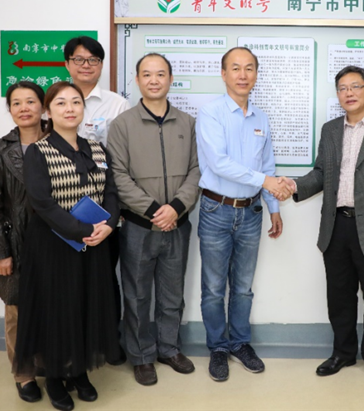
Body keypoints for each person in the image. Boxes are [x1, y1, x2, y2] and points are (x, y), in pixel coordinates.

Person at [288, 65, 364, 387]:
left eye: (355, 86)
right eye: (343, 88)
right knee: (339, 297)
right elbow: (321, 173)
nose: (349, 93)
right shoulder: (331, 129)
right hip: (336, 227)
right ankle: (343, 353)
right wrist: (294, 186)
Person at [13, 82, 121, 411]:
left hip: (94, 245)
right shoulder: (39, 152)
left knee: (86, 306)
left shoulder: (97, 149)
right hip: (53, 246)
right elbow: (42, 203)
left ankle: (79, 371)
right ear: (48, 111)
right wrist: (84, 229)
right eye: (61, 103)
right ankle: (55, 377)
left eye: (76, 102)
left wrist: (108, 225)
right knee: (57, 311)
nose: (70, 108)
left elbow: (111, 193)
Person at [195, 47, 289, 382]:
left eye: (249, 68)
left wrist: (274, 207)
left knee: (244, 287)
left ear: (256, 75)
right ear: (224, 74)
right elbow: (219, 163)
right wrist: (266, 182)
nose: (242, 74)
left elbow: (268, 165)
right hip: (216, 209)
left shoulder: (260, 117)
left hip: (251, 212)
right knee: (213, 287)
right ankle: (218, 348)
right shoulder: (210, 113)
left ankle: (239, 343)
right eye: (235, 68)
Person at [108, 53, 201, 386]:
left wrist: (175, 207)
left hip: (177, 223)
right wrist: (153, 211)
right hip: (137, 225)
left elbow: (197, 170)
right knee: (137, 296)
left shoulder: (188, 123)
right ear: (137, 80)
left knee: (172, 293)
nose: (154, 80)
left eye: (160, 74)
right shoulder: (122, 125)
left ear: (170, 79)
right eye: (146, 74)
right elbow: (118, 175)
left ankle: (168, 349)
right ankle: (142, 356)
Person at [0, 81, 45, 404]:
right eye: (17, 103)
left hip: (53, 242)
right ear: (10, 110)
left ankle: (48, 364)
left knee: (50, 306)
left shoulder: (57, 142)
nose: (24, 108)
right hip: (14, 241)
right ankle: (23, 373)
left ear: (43, 106)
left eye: (31, 101)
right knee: (17, 311)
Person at [64, 36, 129, 364]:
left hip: (104, 206)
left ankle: (108, 341)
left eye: (93, 60)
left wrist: (115, 213)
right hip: (64, 206)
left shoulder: (117, 104)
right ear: (67, 64)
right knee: (69, 279)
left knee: (104, 277)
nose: (86, 65)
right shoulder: (57, 98)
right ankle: (74, 343)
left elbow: (122, 159)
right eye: (79, 59)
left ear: (101, 65)